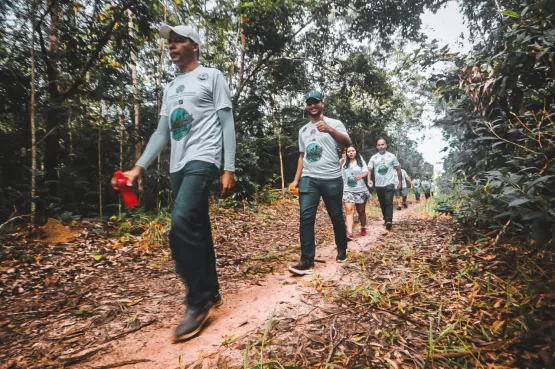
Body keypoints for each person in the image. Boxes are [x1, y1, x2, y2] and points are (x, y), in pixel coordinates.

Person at [111, 25, 236, 341]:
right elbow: (161, 133)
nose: (172, 45)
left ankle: (196, 302)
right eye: (170, 42)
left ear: (195, 45)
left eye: (179, 40)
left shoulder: (212, 77)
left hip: (203, 157)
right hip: (177, 164)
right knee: (197, 226)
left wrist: (228, 168)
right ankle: (212, 290)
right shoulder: (170, 88)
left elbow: (226, 122)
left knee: (180, 223)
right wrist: (138, 169)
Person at [289, 90, 351, 275]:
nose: (313, 106)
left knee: (336, 216)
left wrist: (330, 130)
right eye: (309, 103)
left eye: (316, 102)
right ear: (306, 106)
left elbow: (347, 143)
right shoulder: (303, 130)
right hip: (309, 178)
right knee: (306, 217)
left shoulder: (335, 123)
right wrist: (296, 179)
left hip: (332, 178)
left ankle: (342, 249)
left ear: (322, 103)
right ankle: (307, 261)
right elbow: (302, 156)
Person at [368, 138, 402, 230]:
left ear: (386, 145)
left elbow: (398, 169)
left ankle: (388, 220)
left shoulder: (392, 156)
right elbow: (369, 170)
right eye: (379, 145)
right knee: (382, 203)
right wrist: (369, 180)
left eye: (382, 144)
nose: (381, 146)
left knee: (388, 201)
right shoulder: (373, 158)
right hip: (379, 185)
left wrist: (400, 182)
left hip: (389, 183)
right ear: (377, 146)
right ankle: (385, 218)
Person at [341, 146, 371, 240]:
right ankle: (349, 232)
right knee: (349, 211)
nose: (351, 153)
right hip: (347, 190)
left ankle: (363, 227)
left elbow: (366, 171)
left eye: (353, 150)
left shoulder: (360, 160)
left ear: (356, 152)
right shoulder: (343, 162)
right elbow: (341, 175)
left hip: (360, 190)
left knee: (361, 211)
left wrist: (361, 176)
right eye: (348, 151)